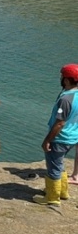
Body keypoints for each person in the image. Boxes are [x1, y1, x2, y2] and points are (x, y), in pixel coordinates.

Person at [34, 64, 78, 206]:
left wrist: (47, 140)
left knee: (53, 167)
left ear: (67, 80)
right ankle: (62, 192)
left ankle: (52, 198)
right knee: (59, 164)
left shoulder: (65, 100)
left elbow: (60, 123)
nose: (60, 78)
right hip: (72, 137)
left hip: (60, 138)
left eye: (62, 76)